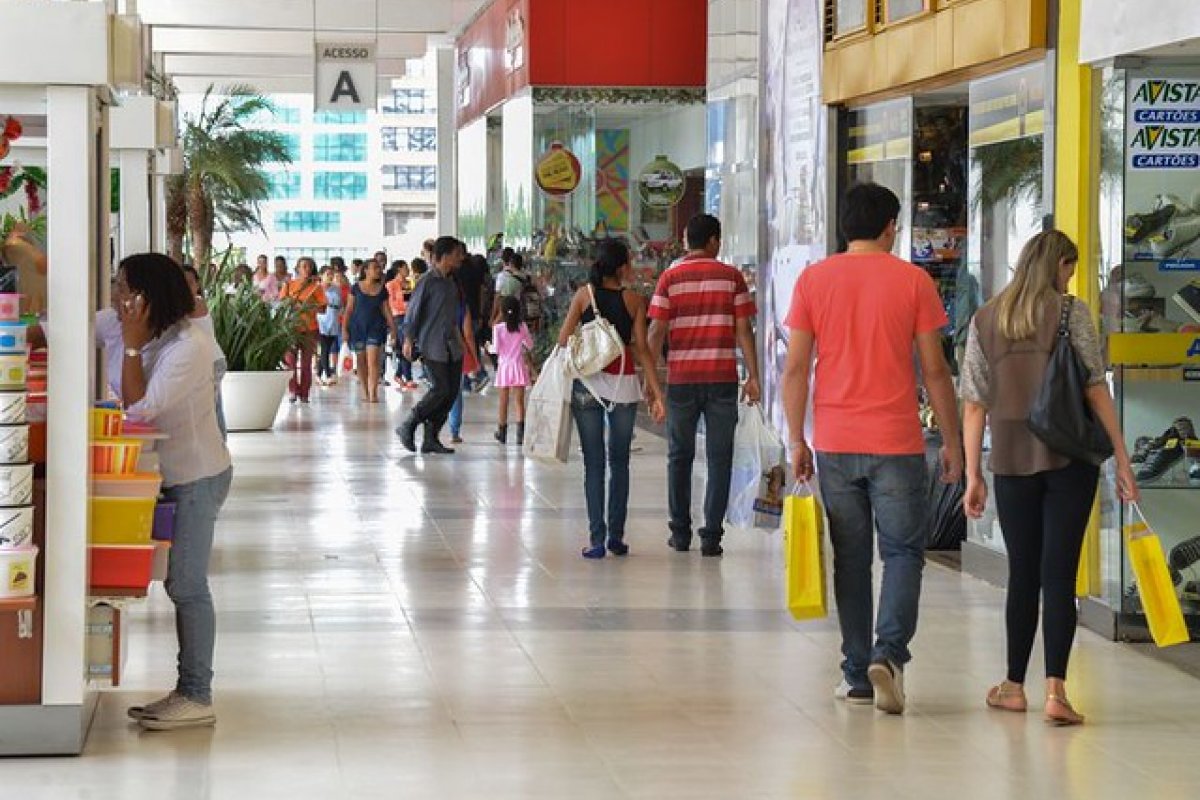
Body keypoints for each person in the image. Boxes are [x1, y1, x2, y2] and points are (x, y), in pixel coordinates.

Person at [781, 183, 962, 715]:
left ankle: (858, 674)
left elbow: (796, 369)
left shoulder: (814, 280)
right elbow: (935, 370)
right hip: (898, 443)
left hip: (836, 442)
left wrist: (797, 439)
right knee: (904, 553)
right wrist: (951, 441)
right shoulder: (914, 281)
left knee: (852, 561)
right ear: (890, 227)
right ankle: (889, 654)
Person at [960, 230, 1139, 726]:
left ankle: (1014, 686)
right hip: (1069, 460)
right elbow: (1095, 388)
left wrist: (973, 473)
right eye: (1069, 269)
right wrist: (1121, 458)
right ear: (1057, 264)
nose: (1070, 279)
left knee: (1024, 574)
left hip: (1012, 462)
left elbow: (974, 402)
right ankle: (1057, 691)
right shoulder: (1070, 312)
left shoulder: (985, 318)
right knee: (1059, 575)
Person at [113, 253, 232, 731]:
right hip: (175, 476)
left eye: (122, 287)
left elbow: (140, 408)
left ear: (146, 297)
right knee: (177, 582)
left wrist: (130, 347)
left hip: (198, 478)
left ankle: (196, 694)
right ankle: (187, 689)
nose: (116, 296)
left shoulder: (188, 346)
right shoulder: (160, 334)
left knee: (186, 585)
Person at [648, 214, 761, 559]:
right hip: (721, 379)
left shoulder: (670, 278)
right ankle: (711, 536)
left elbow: (655, 334)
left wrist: (651, 384)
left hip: (682, 380)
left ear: (686, 241)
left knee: (678, 457)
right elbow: (743, 331)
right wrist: (753, 377)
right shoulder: (732, 279)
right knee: (719, 458)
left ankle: (680, 533)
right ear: (714, 240)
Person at [560, 238, 666, 559]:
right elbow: (642, 349)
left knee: (593, 463)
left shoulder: (583, 295)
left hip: (587, 386)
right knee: (619, 462)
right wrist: (656, 392)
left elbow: (564, 338)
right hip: (623, 385)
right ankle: (616, 537)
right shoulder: (634, 300)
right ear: (621, 267)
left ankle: (596, 540)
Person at [397, 236, 467, 454]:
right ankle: (409, 423)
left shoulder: (451, 282)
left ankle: (431, 437)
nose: (460, 258)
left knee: (451, 392)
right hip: (432, 344)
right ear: (444, 256)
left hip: (452, 346)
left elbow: (452, 315)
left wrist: (461, 340)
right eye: (457, 254)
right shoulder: (427, 281)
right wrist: (408, 339)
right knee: (441, 389)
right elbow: (413, 312)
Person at [180, 264, 228, 437]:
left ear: (197, 284)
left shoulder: (195, 303)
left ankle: (219, 446)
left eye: (189, 282)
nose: (185, 287)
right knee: (212, 407)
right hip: (205, 362)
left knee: (210, 409)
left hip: (210, 362)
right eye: (180, 282)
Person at [343, 257, 396, 403]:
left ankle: (373, 393)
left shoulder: (382, 289)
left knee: (373, 361)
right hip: (357, 328)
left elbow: (387, 310)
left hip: (376, 328)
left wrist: (393, 330)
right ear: (365, 270)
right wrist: (344, 330)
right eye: (375, 268)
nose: (379, 270)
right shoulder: (355, 287)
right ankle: (365, 391)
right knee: (361, 361)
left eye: (379, 268)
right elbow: (348, 310)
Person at [279, 256, 326, 404]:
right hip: (291, 328)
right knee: (290, 363)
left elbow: (323, 308)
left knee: (306, 364)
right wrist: (293, 304)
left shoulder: (316, 287)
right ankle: (293, 391)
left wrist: (309, 306)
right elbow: (282, 304)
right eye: (303, 266)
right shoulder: (288, 285)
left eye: (309, 266)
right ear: (297, 268)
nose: (306, 269)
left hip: (310, 329)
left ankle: (305, 393)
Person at [492, 296, 533, 445]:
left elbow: (496, 349)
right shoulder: (522, 327)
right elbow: (530, 345)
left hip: (504, 367)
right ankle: (520, 435)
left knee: (503, 401)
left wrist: (487, 347)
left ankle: (502, 432)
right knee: (519, 402)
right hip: (518, 366)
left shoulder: (497, 329)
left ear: (502, 312)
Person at [386, 260, 415, 388]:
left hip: (409, 317)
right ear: (399, 269)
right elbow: (391, 303)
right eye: (405, 267)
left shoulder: (409, 284)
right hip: (398, 317)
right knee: (404, 345)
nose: (408, 270)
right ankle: (407, 377)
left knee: (409, 345)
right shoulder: (391, 285)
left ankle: (399, 374)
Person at [316, 267, 343, 386]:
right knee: (325, 348)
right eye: (328, 274)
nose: (330, 277)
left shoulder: (336, 289)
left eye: (332, 274)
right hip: (321, 320)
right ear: (321, 275)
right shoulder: (317, 289)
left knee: (326, 348)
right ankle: (328, 374)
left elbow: (340, 304)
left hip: (333, 320)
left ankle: (318, 374)